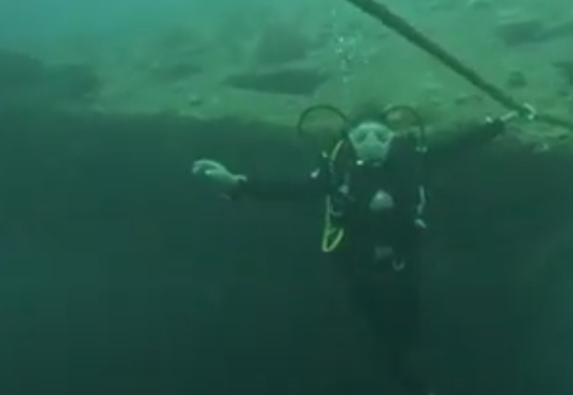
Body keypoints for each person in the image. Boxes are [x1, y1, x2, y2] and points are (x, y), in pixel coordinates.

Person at [192, 103, 531, 395]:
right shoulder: (336, 170)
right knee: (375, 321)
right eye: (362, 137)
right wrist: (237, 182)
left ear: (393, 139)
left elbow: (458, 145)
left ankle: (408, 362)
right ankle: (397, 364)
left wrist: (500, 122)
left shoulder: (410, 161)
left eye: (381, 137)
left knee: (408, 325)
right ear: (349, 141)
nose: (372, 144)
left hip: (402, 258)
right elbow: (290, 187)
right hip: (356, 261)